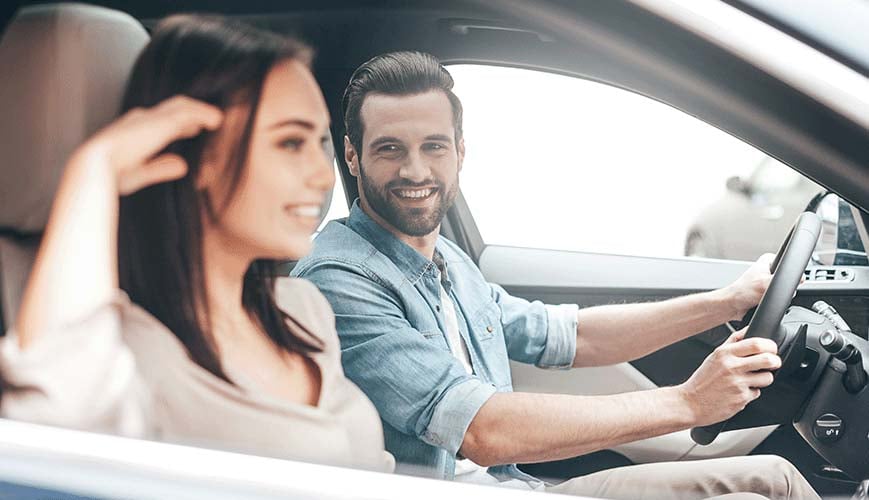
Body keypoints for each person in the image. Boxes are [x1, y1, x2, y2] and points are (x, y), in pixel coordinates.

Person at [291, 51, 819, 498]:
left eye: (434, 146)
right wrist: (688, 401)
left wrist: (726, 301)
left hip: (517, 486)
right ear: (353, 157)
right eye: (390, 149)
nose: (415, 171)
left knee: (774, 478)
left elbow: (571, 335)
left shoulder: (444, 261)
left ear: (460, 154)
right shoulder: (339, 279)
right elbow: (481, 429)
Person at [0, 15, 392, 473]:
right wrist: (95, 169)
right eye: (289, 143)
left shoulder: (301, 308)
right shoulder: (127, 348)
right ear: (199, 153)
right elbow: (53, 436)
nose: (325, 176)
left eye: (320, 142)